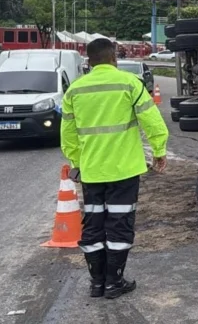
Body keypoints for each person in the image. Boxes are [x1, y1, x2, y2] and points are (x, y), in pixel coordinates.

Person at [60, 38, 169, 299]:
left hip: (91, 171)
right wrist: (159, 150)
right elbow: (152, 120)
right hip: (124, 170)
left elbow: (68, 136)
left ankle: (97, 283)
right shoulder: (129, 83)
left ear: (89, 61)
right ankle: (114, 282)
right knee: (119, 224)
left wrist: (77, 163)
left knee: (93, 224)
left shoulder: (74, 90)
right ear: (114, 59)